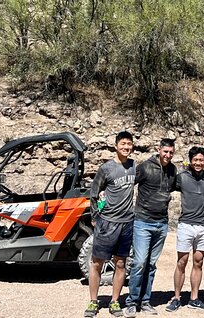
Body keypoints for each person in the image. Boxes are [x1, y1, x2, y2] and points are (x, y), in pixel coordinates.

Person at [85, 131, 137, 318]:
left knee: (121, 263)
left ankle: (115, 301)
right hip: (107, 222)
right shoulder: (106, 168)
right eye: (123, 143)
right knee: (97, 262)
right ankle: (93, 301)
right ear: (116, 146)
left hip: (127, 222)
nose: (126, 147)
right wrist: (95, 217)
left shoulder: (134, 166)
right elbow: (94, 192)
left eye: (129, 144)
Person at [124, 139, 178, 317]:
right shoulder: (145, 167)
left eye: (171, 152)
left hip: (161, 224)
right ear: (159, 150)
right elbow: (127, 185)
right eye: (165, 151)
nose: (168, 155)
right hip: (142, 222)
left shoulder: (173, 170)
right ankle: (132, 301)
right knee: (139, 263)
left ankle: (145, 300)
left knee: (151, 265)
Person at [165, 146, 204, 313]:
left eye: (201, 160)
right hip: (186, 225)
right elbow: (165, 185)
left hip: (203, 226)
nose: (198, 163)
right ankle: (176, 298)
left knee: (198, 262)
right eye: (195, 160)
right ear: (190, 160)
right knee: (181, 262)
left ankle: (194, 298)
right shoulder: (181, 178)